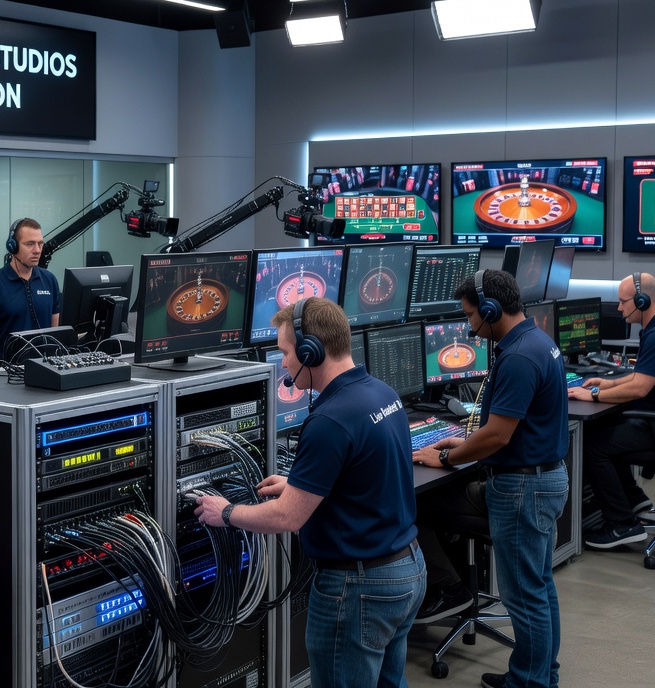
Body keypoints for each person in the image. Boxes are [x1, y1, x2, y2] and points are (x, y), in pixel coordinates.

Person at [194, 297, 423, 688]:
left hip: (358, 588)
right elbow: (365, 475)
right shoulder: (382, 394)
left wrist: (227, 512)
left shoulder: (330, 419)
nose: (283, 363)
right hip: (406, 571)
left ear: (309, 351)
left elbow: (287, 517)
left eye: (285, 352)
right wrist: (300, 485)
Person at [414, 269, 568, 688]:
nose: (468, 326)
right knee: (539, 587)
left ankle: (530, 682)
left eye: (470, 316)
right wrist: (458, 446)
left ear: (489, 310)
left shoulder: (517, 357)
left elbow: (499, 435)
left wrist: (449, 458)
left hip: (522, 488)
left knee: (525, 595)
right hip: (541, 481)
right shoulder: (537, 342)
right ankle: (540, 674)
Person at [572, 273, 655, 549]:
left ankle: (622, 524)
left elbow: (640, 389)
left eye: (623, 302)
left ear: (642, 301)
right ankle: (635, 500)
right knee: (606, 429)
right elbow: (639, 376)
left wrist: (594, 394)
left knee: (593, 446)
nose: (619, 308)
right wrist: (609, 383)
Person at [0, 217, 60, 364]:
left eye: (40, 243)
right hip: (6, 373)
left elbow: (55, 332)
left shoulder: (49, 280)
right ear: (12, 247)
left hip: (45, 370)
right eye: (30, 244)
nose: (37, 250)